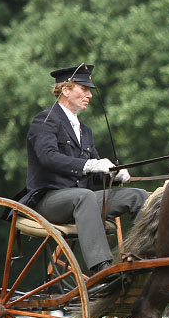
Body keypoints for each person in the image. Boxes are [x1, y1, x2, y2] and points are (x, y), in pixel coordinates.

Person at [19, 64, 148, 279]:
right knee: (84, 197)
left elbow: (93, 175)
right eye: (84, 89)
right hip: (48, 200)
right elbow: (48, 157)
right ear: (65, 89)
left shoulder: (84, 130)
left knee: (138, 196)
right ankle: (102, 270)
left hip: (81, 200)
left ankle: (143, 257)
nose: (89, 94)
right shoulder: (45, 120)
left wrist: (112, 175)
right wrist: (87, 165)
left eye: (90, 90)